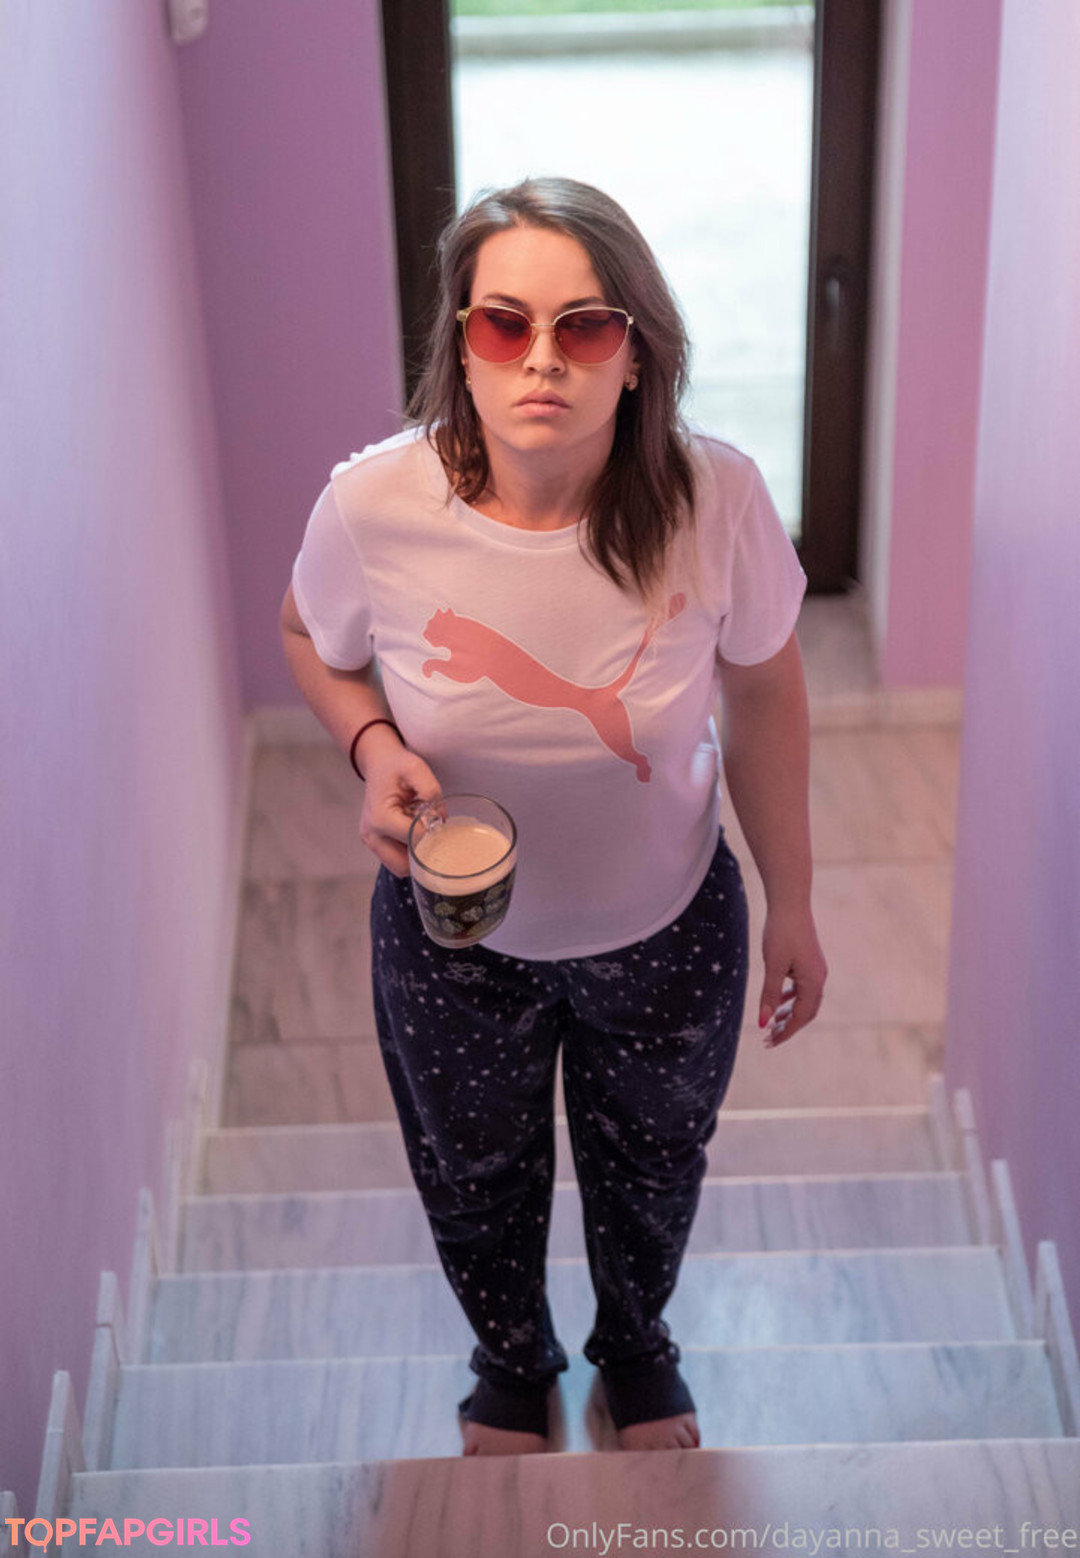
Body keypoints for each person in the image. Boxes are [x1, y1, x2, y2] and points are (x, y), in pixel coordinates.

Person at [281, 177, 827, 1457]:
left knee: (656, 1164)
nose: (541, 359)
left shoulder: (718, 498)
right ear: (461, 344)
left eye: (585, 326)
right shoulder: (373, 505)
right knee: (473, 1174)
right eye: (504, 323)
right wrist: (372, 744)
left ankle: (636, 1348)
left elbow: (764, 693)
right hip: (455, 939)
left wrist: (794, 900)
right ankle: (512, 1364)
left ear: (637, 353)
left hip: (668, 929)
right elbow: (310, 635)